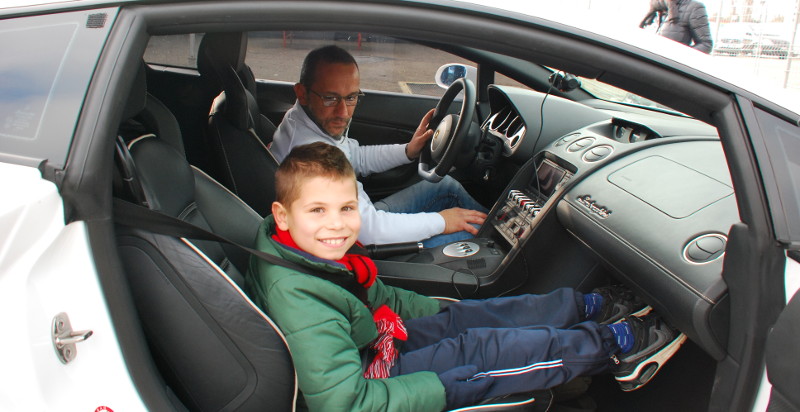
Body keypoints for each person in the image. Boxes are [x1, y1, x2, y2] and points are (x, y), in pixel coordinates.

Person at [246, 141, 687, 411]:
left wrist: (446, 311)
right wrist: (435, 386)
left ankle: (587, 307)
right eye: (317, 211)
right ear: (282, 215)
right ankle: (615, 347)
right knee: (481, 354)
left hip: (376, 343)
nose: (337, 225)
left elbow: (380, 298)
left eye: (347, 209)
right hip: (376, 381)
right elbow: (345, 404)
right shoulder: (298, 295)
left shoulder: (313, 254)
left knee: (477, 318)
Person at [269, 45, 487, 248]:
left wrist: (408, 150)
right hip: (365, 246)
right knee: (477, 236)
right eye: (330, 98)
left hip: (364, 215)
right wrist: (442, 221)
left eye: (351, 97)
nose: (343, 112)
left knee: (445, 186)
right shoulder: (310, 160)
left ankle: (498, 230)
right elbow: (369, 231)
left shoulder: (303, 118)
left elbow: (354, 156)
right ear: (302, 93)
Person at [640, 0, 713, 54]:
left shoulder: (694, 7)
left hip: (671, 70)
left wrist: (678, 57)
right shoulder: (657, 7)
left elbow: (706, 45)